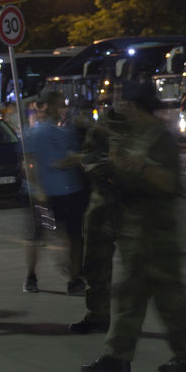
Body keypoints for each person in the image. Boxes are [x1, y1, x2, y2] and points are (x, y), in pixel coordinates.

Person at [81, 80, 186, 372]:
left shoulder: (160, 138)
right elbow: (124, 167)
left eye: (127, 105)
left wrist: (140, 167)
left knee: (159, 296)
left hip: (154, 231)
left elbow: (167, 182)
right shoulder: (137, 133)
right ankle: (131, 356)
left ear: (137, 106)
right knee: (144, 295)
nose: (124, 110)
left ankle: (124, 355)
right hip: (136, 229)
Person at [66, 102, 127, 334]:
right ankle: (97, 315)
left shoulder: (140, 126)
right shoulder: (102, 124)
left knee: (139, 268)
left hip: (130, 203)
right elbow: (90, 155)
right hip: (100, 202)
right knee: (95, 263)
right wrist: (84, 160)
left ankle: (128, 319)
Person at [24, 87, 87, 296]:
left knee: (71, 235)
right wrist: (38, 189)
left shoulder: (67, 131)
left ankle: (74, 276)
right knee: (43, 234)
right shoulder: (37, 133)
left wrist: (72, 160)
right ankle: (32, 275)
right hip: (46, 195)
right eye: (60, 104)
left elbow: (76, 155)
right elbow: (29, 163)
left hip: (68, 192)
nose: (63, 109)